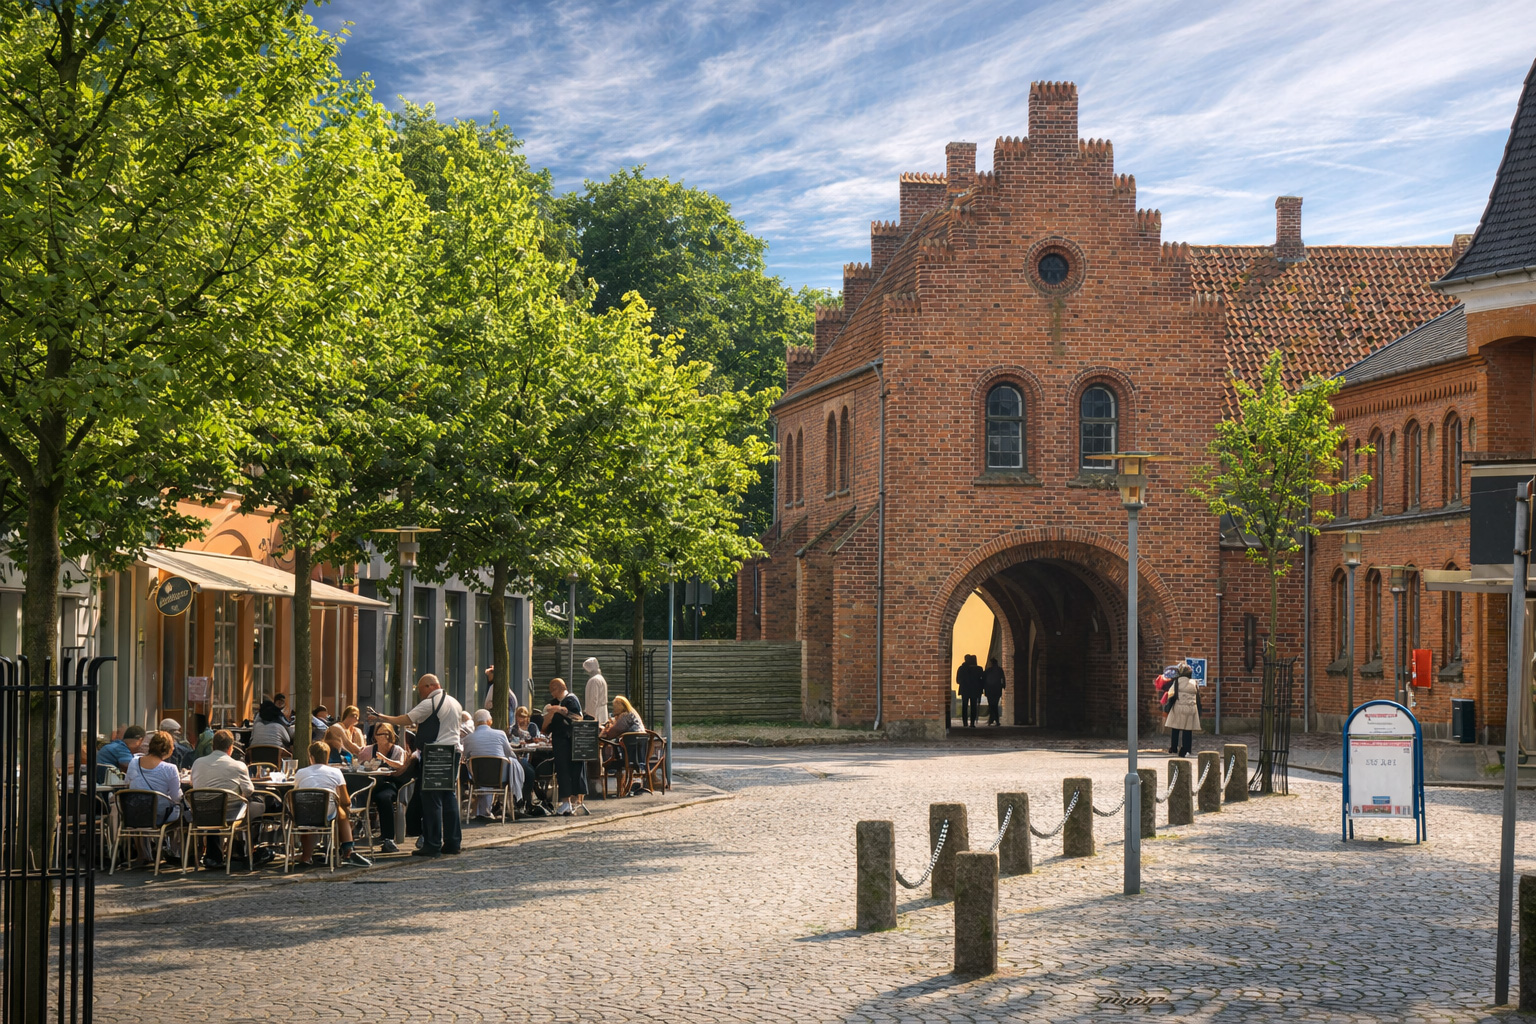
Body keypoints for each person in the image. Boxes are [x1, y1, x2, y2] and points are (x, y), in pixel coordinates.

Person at [369, 673, 464, 858]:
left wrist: (382, 717)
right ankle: (453, 842)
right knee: (449, 796)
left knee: (431, 799)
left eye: (420, 690)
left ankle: (432, 844)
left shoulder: (430, 703)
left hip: (435, 754)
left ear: (429, 686)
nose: (420, 695)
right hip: (453, 752)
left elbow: (407, 719)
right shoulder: (455, 702)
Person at [189, 730, 272, 868]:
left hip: (202, 812)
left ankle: (216, 855)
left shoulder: (198, 763)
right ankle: (247, 850)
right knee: (258, 804)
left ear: (213, 746)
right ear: (231, 748)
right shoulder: (238, 765)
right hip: (230, 814)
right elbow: (249, 790)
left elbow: (193, 783)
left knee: (215, 806)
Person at [292, 741, 371, 868]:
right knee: (342, 811)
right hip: (327, 812)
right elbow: (346, 800)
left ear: (310, 757)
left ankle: (306, 856)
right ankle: (348, 850)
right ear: (327, 757)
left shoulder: (300, 772)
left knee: (310, 814)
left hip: (304, 813)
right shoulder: (336, 772)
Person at [126, 730, 183, 863]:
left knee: (142, 807)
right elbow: (176, 797)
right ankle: (177, 853)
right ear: (168, 749)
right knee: (182, 812)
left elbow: (128, 784)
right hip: (159, 815)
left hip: (134, 814)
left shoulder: (133, 762)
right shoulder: (170, 768)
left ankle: (143, 854)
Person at [463, 709, 522, 820]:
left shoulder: (468, 739)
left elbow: (465, 756)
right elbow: (509, 753)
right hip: (499, 778)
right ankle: (506, 809)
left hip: (478, 778)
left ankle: (483, 811)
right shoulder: (500, 734)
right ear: (489, 721)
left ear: (475, 723)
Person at [542, 677, 588, 816]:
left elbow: (577, 718)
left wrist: (559, 711)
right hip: (560, 741)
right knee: (562, 771)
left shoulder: (571, 700)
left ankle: (570, 801)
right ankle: (567, 802)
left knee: (569, 771)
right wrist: (556, 710)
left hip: (568, 741)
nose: (552, 694)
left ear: (560, 688)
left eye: (553, 690)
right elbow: (546, 724)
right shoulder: (556, 703)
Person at [361, 723, 409, 853]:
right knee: (356, 796)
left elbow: (400, 765)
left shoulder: (397, 750)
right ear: (375, 736)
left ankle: (388, 839)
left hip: (388, 783)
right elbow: (359, 763)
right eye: (381, 734)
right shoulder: (368, 749)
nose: (384, 737)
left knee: (384, 799)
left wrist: (385, 759)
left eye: (387, 734)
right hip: (370, 783)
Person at [1164, 662, 1201, 758]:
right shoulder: (1194, 683)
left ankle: (1174, 747)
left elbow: (1171, 694)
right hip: (1191, 709)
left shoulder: (1176, 682)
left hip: (1179, 708)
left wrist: (1167, 707)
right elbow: (1198, 698)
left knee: (1175, 728)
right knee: (1187, 730)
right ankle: (1186, 749)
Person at [956, 655, 985, 729]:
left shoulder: (961, 668)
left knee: (965, 706)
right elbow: (982, 681)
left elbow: (958, 680)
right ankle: (972, 722)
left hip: (965, 689)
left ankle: (965, 722)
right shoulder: (979, 669)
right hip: (974, 690)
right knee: (973, 706)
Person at [583, 657, 610, 726]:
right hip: (602, 711)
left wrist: (591, 717)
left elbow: (593, 699)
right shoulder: (601, 678)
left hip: (596, 713)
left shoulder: (594, 680)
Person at [983, 658, 1006, 727]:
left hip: (990, 690)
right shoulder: (999, 670)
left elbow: (984, 680)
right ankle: (995, 719)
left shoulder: (988, 670)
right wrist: (1003, 686)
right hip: (997, 689)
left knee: (991, 705)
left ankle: (992, 719)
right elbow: (1003, 678)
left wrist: (984, 688)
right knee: (995, 704)